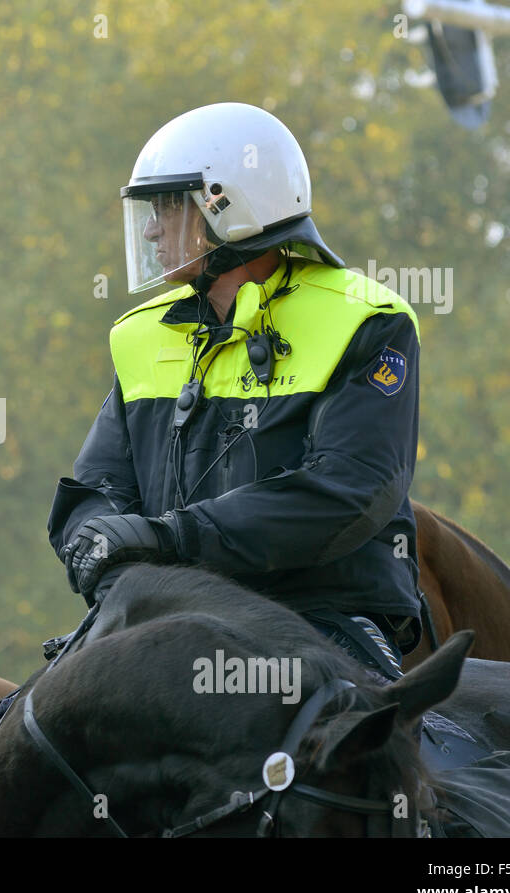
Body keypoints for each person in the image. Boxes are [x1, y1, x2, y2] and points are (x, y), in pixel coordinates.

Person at [51, 102, 420, 676]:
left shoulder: (365, 319)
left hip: (317, 617)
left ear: (231, 211)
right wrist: (115, 562)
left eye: (168, 207)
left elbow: (350, 489)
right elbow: (94, 490)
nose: (150, 228)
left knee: (350, 757)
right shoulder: (139, 334)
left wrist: (170, 539)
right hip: (158, 615)